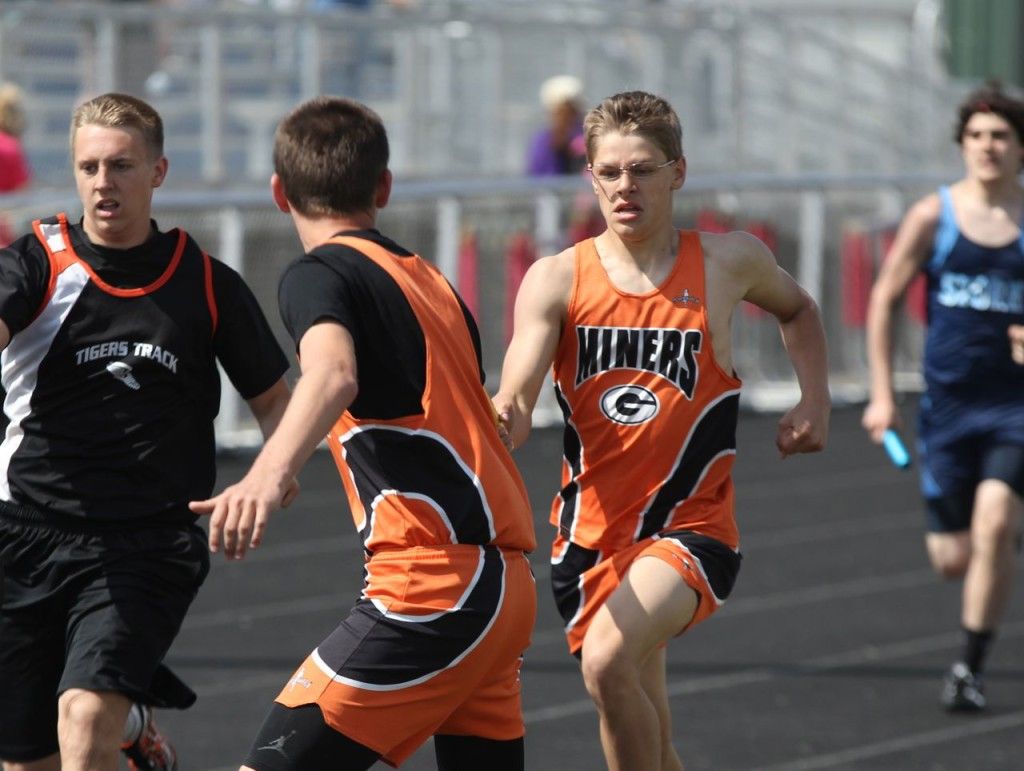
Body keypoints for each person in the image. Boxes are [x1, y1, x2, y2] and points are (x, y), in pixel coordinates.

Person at [189, 95, 537, 771]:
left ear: (278, 192)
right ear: (384, 187)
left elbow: (333, 373)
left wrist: (267, 474)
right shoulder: (429, 280)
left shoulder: (317, 272)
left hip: (434, 588)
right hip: (503, 588)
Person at [494, 90, 830, 771]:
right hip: (588, 540)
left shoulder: (728, 262)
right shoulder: (556, 279)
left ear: (678, 172)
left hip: (692, 529)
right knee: (647, 733)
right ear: (590, 177)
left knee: (607, 661)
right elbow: (517, 397)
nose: (625, 186)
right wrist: (500, 415)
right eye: (610, 172)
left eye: (642, 170)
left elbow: (799, 310)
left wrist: (814, 402)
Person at [0, 92, 292, 771]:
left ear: (158, 172)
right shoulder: (36, 265)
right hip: (25, 533)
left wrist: (268, 476)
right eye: (89, 167)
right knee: (28, 760)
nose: (103, 183)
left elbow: (277, 403)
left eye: (122, 166)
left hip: (145, 542)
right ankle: (132, 728)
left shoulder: (206, 283)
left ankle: (114, 722)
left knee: (83, 722)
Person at [862, 82, 1024, 712]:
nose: (988, 146)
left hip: (1014, 409)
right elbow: (883, 299)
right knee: (953, 558)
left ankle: (968, 670)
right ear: (962, 145)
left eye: (1001, 136)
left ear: (1020, 148)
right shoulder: (935, 216)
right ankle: (994, 541)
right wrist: (881, 395)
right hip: (949, 410)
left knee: (995, 523)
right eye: (977, 135)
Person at [526, 74, 587, 177]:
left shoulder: (585, 138)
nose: (564, 116)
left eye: (568, 111)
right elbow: (537, 174)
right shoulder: (542, 141)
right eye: (560, 111)